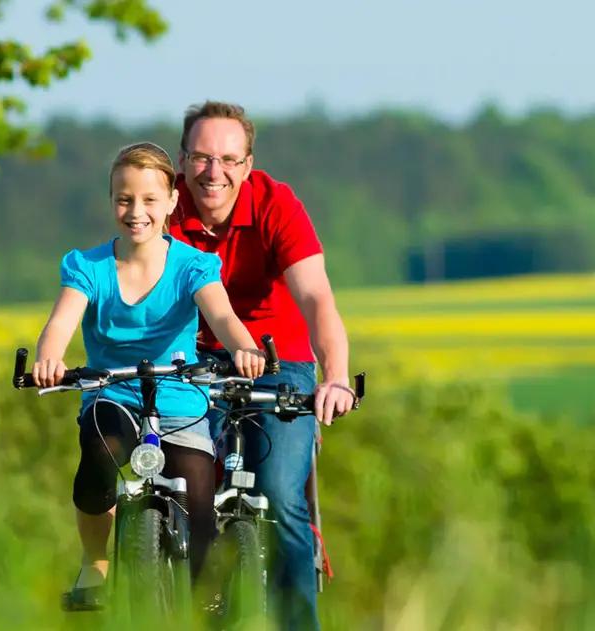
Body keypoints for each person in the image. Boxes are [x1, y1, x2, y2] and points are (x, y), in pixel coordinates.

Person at [32, 141, 269, 612]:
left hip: (179, 397)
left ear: (171, 203)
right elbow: (60, 323)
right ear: (111, 200)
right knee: (98, 453)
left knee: (198, 485)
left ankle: (205, 591)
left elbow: (221, 316)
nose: (135, 211)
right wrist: (49, 359)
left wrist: (244, 348)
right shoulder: (88, 266)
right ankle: (95, 562)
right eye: (124, 199)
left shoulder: (192, 266)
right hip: (112, 392)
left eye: (148, 200)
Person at [168, 100, 358, 630]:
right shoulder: (162, 205)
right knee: (179, 487)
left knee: (277, 495)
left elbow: (317, 298)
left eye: (229, 159)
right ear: (182, 161)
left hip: (279, 359)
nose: (215, 172)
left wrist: (336, 376)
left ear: (248, 164)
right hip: (191, 360)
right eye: (202, 158)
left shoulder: (276, 205)